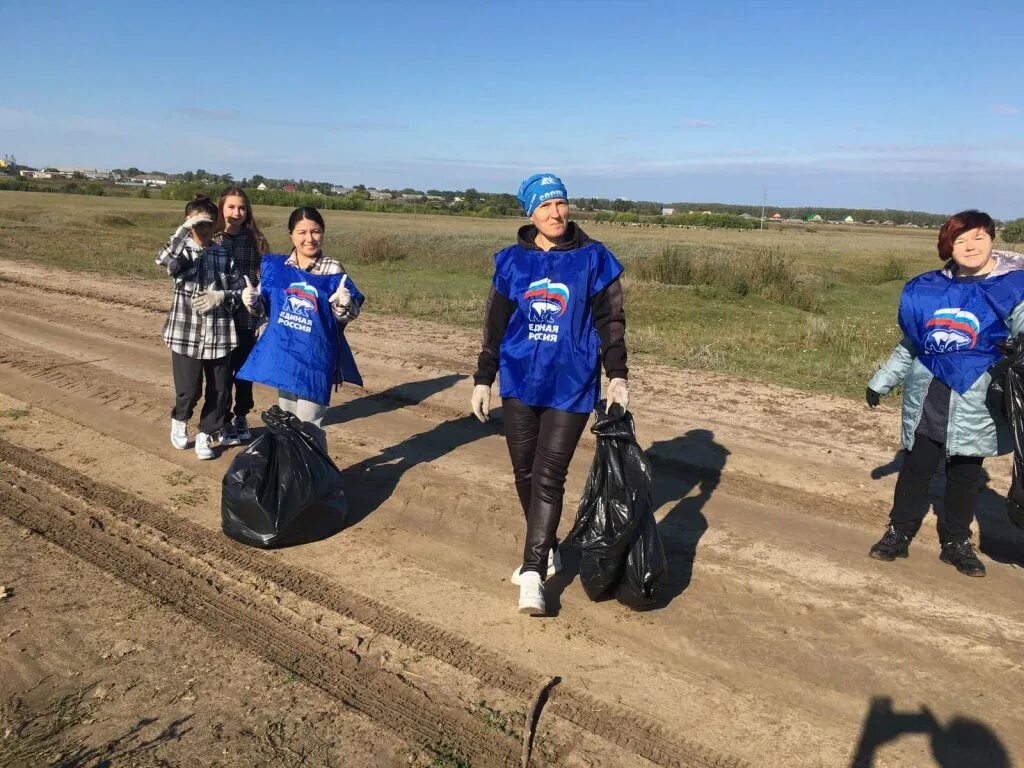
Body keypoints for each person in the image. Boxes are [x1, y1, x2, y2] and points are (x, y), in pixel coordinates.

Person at [470, 173, 629, 615]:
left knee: (548, 474)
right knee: (525, 472)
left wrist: (617, 374)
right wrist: (484, 378)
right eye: (545, 206)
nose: (555, 213)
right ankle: (548, 545)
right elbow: (495, 325)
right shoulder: (511, 262)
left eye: (560, 203)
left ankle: (533, 573)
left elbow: (611, 321)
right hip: (519, 380)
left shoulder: (595, 258)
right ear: (530, 213)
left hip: (571, 383)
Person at [866, 210, 1024, 576]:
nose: (971, 246)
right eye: (961, 239)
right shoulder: (928, 289)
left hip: (976, 401)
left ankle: (955, 542)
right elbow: (912, 344)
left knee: (966, 475)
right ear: (948, 245)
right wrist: (882, 381)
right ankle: (899, 533)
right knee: (917, 469)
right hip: (928, 398)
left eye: (979, 237)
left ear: (992, 240)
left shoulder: (1012, 288)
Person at [238, 207, 364, 451]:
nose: (310, 238)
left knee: (309, 425)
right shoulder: (277, 268)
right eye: (302, 232)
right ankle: (289, 475)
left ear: (323, 233)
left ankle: (315, 482)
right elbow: (266, 310)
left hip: (316, 360)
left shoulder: (333, 269)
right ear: (291, 235)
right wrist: (252, 300)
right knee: (287, 422)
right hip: (285, 357)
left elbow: (346, 316)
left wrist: (344, 305)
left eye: (316, 231)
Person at [156, 194, 245, 460]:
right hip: (186, 333)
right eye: (199, 223)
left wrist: (223, 296)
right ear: (189, 222)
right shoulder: (180, 251)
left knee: (219, 391)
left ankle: (207, 432)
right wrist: (184, 229)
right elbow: (165, 260)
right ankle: (181, 418)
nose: (205, 229)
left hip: (219, 334)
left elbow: (239, 289)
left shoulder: (222, 254)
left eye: (209, 223)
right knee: (189, 389)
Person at [214, 186, 269, 446]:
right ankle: (221, 418)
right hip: (219, 319)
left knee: (244, 372)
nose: (237, 213)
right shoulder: (213, 239)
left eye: (242, 208)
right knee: (220, 374)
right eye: (231, 207)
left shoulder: (255, 240)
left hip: (247, 317)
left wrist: (262, 305)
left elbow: (265, 276)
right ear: (221, 208)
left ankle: (241, 415)